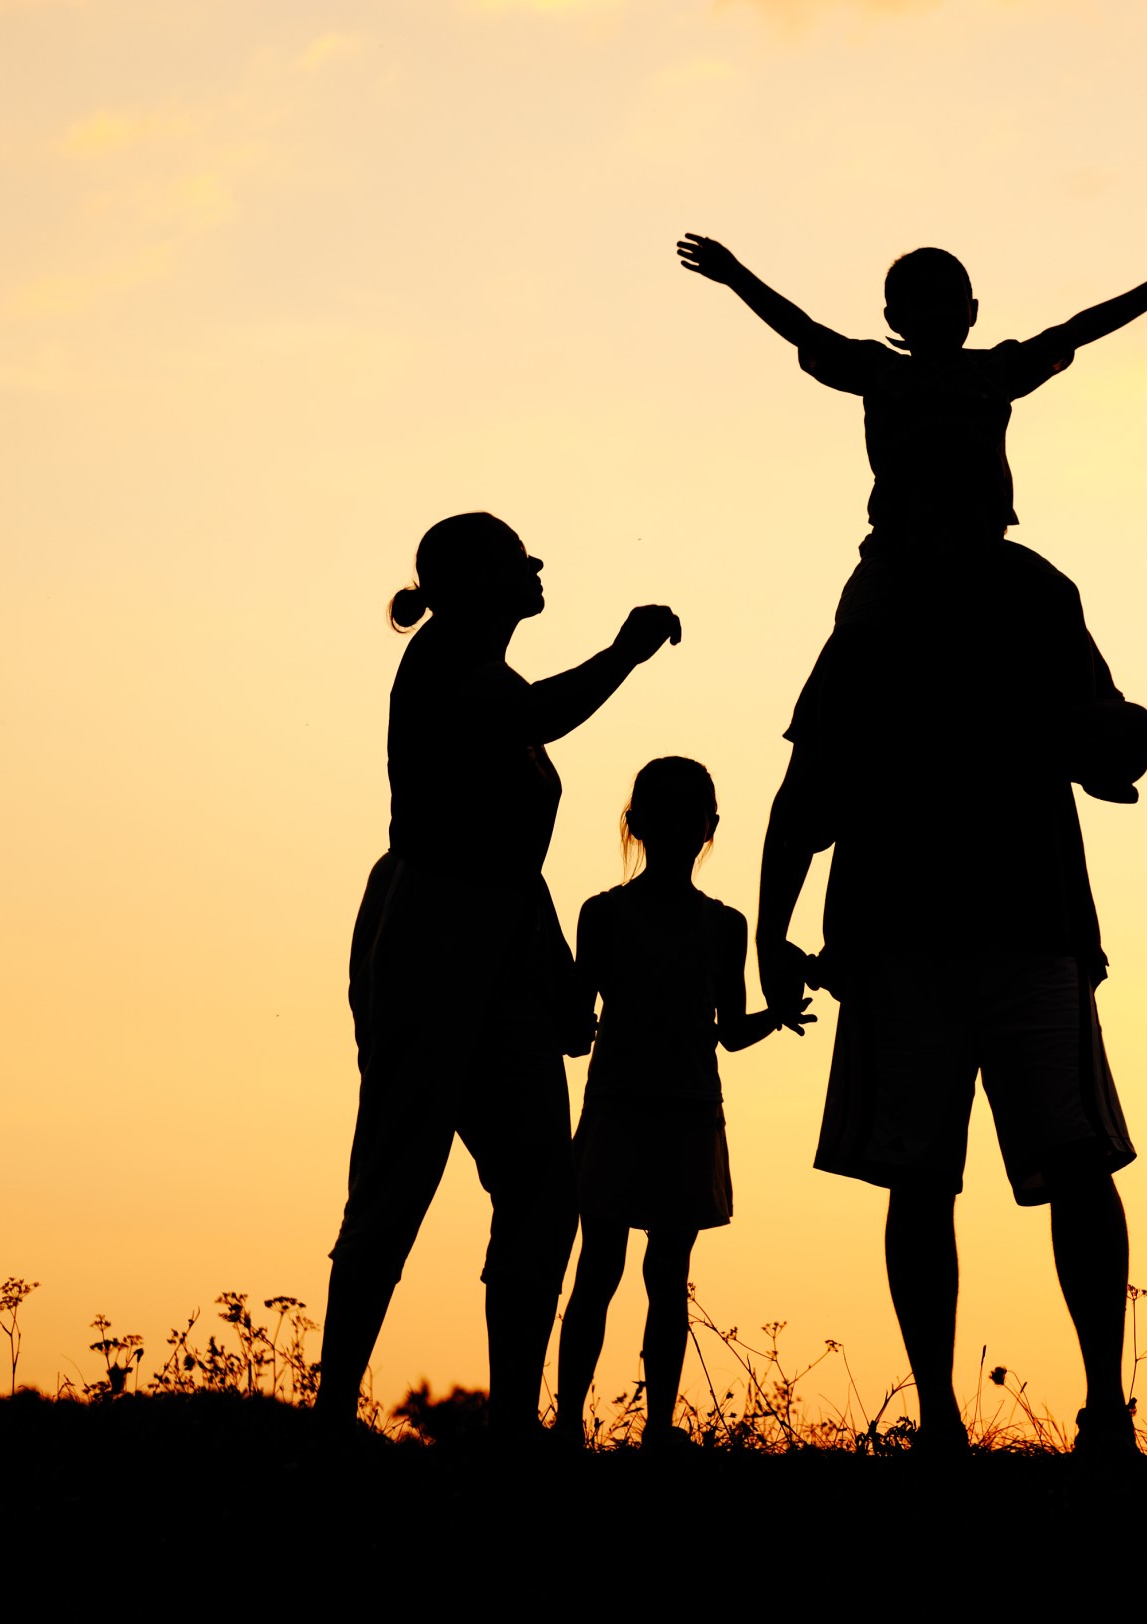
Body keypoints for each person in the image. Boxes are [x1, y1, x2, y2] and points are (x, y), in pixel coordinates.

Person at [756, 551, 1147, 1460]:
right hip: (962, 932)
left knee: (958, 1173)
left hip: (963, 931)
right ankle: (1018, 1414)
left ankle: (1022, 1413)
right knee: (973, 1172)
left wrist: (771, 935)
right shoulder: (952, 597)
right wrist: (769, 934)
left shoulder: (1004, 593)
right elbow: (809, 787)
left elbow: (806, 792)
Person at [315, 512, 681, 1434]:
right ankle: (329, 1413)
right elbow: (539, 717)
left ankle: (515, 1423)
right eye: (519, 555)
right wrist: (624, 654)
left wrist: (552, 973)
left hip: (500, 944)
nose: (538, 563)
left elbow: (516, 862)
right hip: (431, 936)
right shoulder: (445, 666)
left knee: (541, 1190)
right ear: (476, 576)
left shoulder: (489, 675)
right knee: (397, 1176)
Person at [675, 234, 1147, 789]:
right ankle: (823, 770)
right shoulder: (878, 369)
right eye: (922, 301)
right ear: (894, 317)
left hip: (983, 552)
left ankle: (1093, 728)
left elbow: (1074, 332)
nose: (939, 312)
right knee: (851, 645)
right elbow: (804, 331)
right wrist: (736, 277)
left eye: (951, 300)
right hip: (901, 554)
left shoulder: (998, 371)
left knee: (1059, 595)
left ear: (972, 312)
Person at [554, 757, 813, 1447]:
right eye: (663, 812)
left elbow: (725, 1030)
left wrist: (774, 1016)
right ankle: (582, 1422)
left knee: (649, 1276)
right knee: (616, 1272)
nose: (674, 826)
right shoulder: (613, 917)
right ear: (639, 823)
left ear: (705, 827)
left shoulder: (704, 924)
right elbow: (580, 1024)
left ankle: (632, 1426)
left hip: (669, 1111)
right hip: (634, 1108)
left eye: (683, 812)